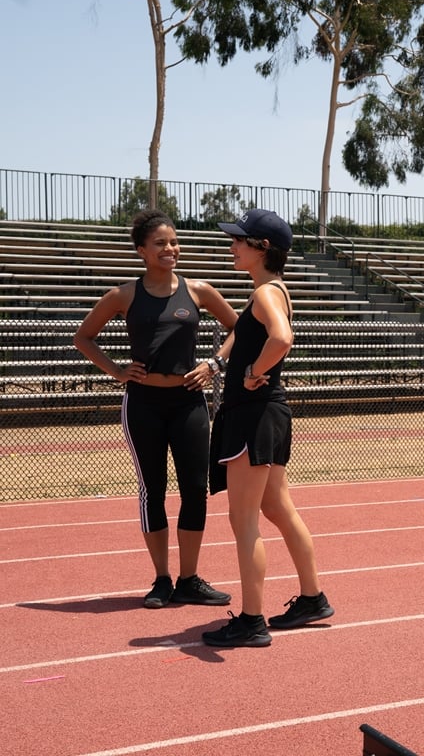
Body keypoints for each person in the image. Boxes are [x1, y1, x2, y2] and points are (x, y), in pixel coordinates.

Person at [74, 209, 238, 609]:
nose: (170, 248)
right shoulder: (124, 295)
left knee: (195, 490)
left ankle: (189, 579)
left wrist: (214, 363)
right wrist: (116, 369)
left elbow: (240, 327)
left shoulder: (199, 290)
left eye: (174, 241)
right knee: (153, 491)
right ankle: (162, 580)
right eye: (161, 243)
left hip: (189, 403)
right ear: (141, 251)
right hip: (143, 402)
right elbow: (84, 337)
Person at [201, 209, 333, 648]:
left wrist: (254, 370)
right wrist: (228, 362)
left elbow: (281, 338)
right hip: (267, 414)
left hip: (253, 415)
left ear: (262, 249)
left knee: (245, 522)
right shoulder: (271, 289)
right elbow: (254, 333)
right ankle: (313, 599)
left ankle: (251, 621)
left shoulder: (265, 296)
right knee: (279, 511)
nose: (232, 246)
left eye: (240, 240)